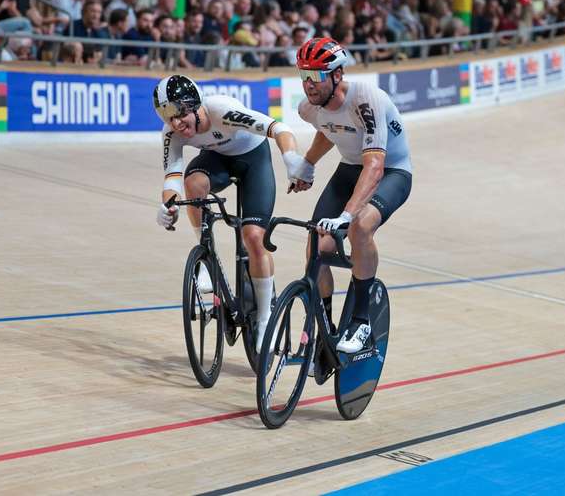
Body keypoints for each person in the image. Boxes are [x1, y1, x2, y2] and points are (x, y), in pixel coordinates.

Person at [154, 75, 312, 349]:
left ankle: (265, 318)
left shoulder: (222, 111)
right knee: (193, 185)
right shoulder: (171, 133)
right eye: (169, 118)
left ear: (194, 104)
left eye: (179, 114)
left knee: (253, 238)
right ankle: (205, 257)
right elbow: (172, 176)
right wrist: (168, 205)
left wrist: (291, 160)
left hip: (253, 161)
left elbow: (280, 128)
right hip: (218, 161)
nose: (176, 124)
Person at [292, 37, 412, 353]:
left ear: (337, 75)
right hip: (349, 170)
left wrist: (347, 215)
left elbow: (375, 164)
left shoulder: (366, 98)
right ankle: (325, 331)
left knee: (360, 227)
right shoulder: (309, 108)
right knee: (318, 244)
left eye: (316, 77)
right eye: (304, 76)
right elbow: (328, 129)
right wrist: (307, 162)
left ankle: (361, 321)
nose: (309, 85)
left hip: (392, 171)